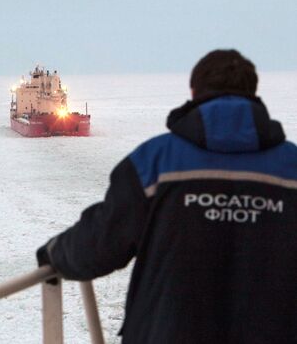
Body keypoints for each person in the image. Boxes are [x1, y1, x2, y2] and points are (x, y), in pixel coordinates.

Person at [36, 49, 297, 343]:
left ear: (194, 91)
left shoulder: (154, 163)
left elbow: (101, 242)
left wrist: (55, 252)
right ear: (252, 92)